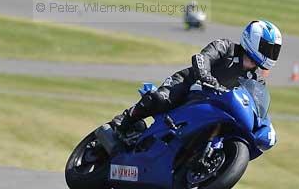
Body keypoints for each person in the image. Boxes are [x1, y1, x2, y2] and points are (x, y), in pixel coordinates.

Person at [111, 19, 282, 138]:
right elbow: (202, 58)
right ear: (253, 39)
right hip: (189, 84)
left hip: (217, 105)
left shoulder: (257, 79)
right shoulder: (225, 47)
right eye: (267, 48)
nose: (270, 54)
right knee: (159, 99)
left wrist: (261, 123)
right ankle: (124, 120)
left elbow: (257, 104)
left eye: (273, 50)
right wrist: (206, 76)